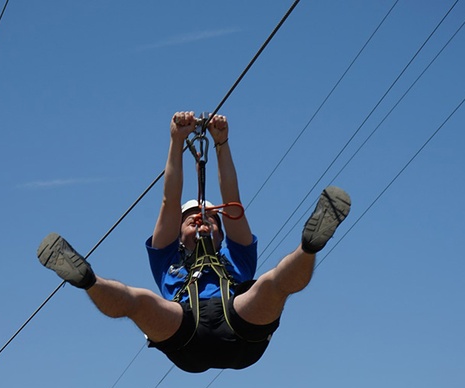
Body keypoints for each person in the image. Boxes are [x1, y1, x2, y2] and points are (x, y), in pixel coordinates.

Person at [37, 111, 351, 373]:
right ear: (177, 227)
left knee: (271, 284)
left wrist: (222, 143)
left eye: (212, 219)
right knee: (140, 302)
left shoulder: (236, 254)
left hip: (241, 323)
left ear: (222, 229)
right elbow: (169, 201)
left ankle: (309, 245)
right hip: (185, 332)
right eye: (191, 219)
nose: (202, 220)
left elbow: (233, 200)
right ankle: (88, 280)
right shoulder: (166, 257)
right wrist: (176, 141)